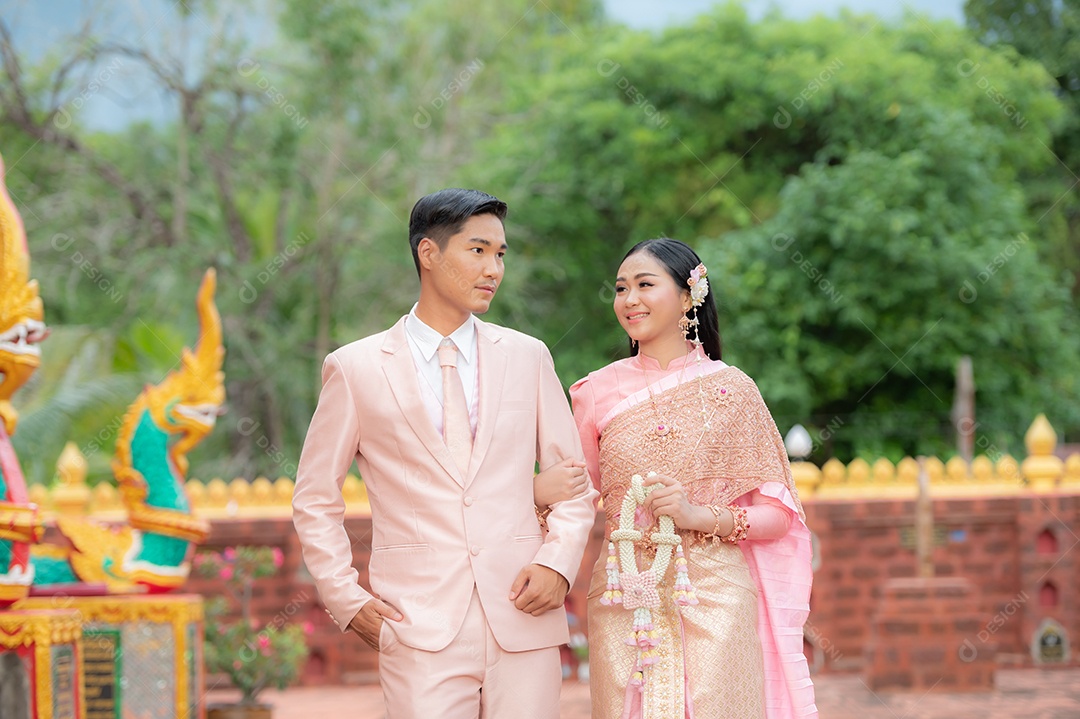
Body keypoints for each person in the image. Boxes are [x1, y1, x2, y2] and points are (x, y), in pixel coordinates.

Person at [292, 188, 599, 719]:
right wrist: (347, 599)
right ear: (428, 253)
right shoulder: (356, 367)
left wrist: (558, 564)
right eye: (477, 250)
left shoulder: (528, 356)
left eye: (501, 254)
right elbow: (315, 499)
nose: (494, 269)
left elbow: (572, 482)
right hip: (418, 625)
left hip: (523, 611)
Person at [543, 238, 817, 718]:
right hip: (625, 590)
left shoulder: (732, 390)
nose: (629, 300)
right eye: (621, 288)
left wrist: (697, 515)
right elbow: (577, 497)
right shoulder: (593, 391)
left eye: (645, 285)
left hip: (715, 591)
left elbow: (778, 517)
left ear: (690, 295)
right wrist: (535, 494)